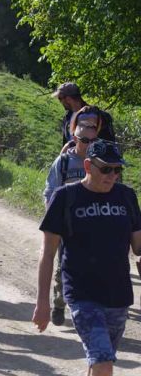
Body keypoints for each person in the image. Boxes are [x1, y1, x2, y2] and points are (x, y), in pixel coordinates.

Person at [33, 140, 141, 376]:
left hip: (118, 295)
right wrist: (43, 302)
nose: (112, 175)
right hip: (83, 294)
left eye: (117, 169)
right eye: (106, 169)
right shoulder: (65, 197)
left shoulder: (126, 196)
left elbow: (139, 247)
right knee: (103, 361)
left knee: (100, 360)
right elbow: (48, 252)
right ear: (88, 165)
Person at [43, 109, 98, 326]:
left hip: (93, 224)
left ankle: (85, 308)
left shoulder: (99, 163)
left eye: (92, 140)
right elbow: (50, 191)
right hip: (67, 225)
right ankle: (58, 302)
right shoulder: (64, 162)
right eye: (84, 139)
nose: (88, 144)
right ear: (75, 138)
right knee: (63, 267)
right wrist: (53, 220)